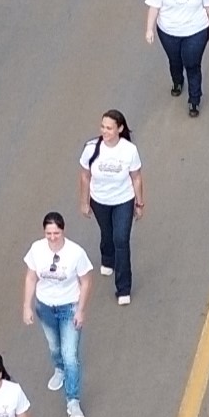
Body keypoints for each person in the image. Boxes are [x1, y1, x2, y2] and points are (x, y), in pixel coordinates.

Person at [23, 211, 93, 417]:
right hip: (45, 306)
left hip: (69, 307)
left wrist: (80, 310)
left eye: (56, 232)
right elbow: (31, 278)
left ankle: (73, 400)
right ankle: (59, 368)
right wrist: (27, 306)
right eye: (49, 233)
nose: (53, 237)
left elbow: (86, 281)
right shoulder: (37, 249)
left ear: (63, 230)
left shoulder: (75, 253)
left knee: (70, 354)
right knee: (55, 347)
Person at [83, 110, 144, 304]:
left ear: (120, 128)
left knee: (121, 240)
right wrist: (84, 202)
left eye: (109, 128)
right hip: (99, 200)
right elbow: (85, 176)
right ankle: (107, 257)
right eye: (103, 127)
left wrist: (139, 203)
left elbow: (136, 177)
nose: (105, 131)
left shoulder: (129, 150)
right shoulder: (92, 148)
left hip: (123, 201)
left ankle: (123, 288)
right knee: (107, 234)